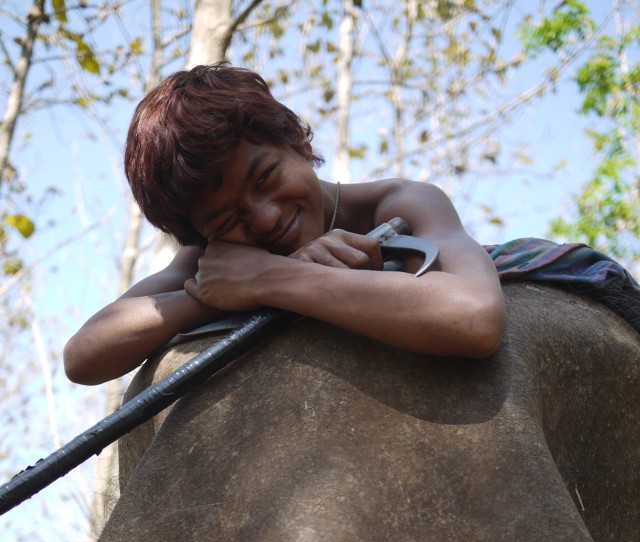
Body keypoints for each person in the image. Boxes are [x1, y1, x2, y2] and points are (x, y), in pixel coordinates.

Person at [63, 63, 505, 386]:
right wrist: (214, 297)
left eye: (266, 177)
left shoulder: (400, 203)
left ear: (292, 138)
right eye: (227, 217)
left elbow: (475, 316)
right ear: (202, 234)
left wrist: (272, 279)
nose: (266, 217)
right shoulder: (214, 258)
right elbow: (83, 355)